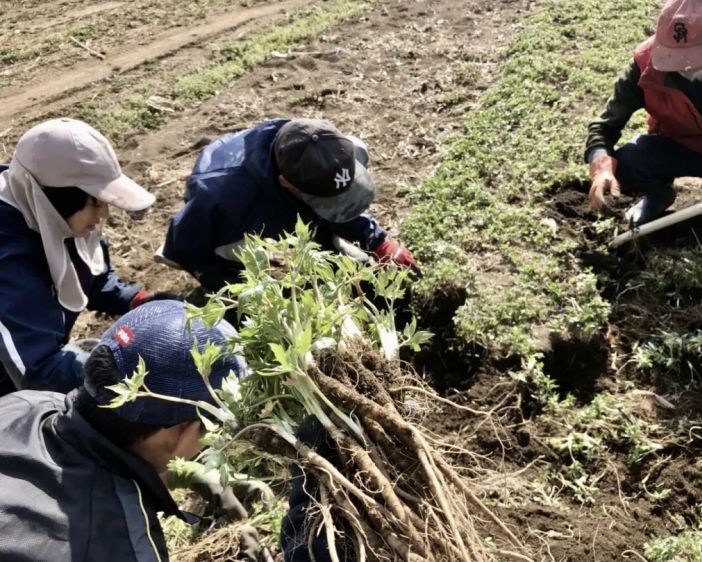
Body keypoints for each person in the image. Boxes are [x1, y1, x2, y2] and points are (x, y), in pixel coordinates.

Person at [0, 300, 268, 561]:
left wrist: (185, 473)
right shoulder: (123, 549)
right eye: (210, 432)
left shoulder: (25, 404)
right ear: (183, 431)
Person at [0, 118, 173, 396]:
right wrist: (139, 376)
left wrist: (139, 301)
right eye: (95, 201)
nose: (104, 214)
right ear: (56, 198)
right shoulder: (9, 255)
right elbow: (39, 370)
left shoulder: (50, 212)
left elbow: (90, 279)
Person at [161, 118, 418, 292]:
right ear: (285, 183)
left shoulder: (319, 143)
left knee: (322, 223)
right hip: (232, 220)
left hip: (280, 192)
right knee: (236, 270)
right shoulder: (221, 199)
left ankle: (328, 246)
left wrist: (376, 240)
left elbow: (336, 195)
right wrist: (239, 293)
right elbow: (186, 248)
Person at [585, 0, 702, 228]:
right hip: (678, 146)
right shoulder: (644, 64)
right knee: (627, 164)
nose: (680, 64)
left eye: (692, 54)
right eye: (672, 53)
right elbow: (605, 126)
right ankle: (659, 194)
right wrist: (601, 166)